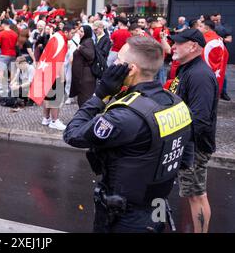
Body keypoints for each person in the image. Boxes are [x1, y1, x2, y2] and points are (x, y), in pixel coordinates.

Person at [64, 36, 194, 233]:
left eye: (118, 61)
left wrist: (100, 95)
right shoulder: (177, 103)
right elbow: (184, 159)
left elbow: (72, 134)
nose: (113, 64)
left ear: (130, 69)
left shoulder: (125, 115)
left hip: (124, 216)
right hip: (157, 207)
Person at [168, 29, 219, 233]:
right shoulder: (187, 69)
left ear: (193, 46)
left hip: (195, 146)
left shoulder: (199, 75)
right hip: (188, 144)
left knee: (197, 195)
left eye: (178, 43)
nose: (173, 46)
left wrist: (183, 144)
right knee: (193, 194)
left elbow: (200, 118)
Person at [70, 25, 96, 107]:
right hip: (82, 75)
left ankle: (85, 118)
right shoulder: (84, 41)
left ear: (86, 33)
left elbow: (91, 55)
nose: (79, 33)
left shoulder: (88, 41)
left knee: (85, 99)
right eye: (79, 31)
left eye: (82, 31)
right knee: (82, 99)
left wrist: (80, 48)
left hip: (86, 76)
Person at [0, 20, 18, 91]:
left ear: (3, 25)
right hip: (13, 54)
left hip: (4, 54)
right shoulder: (15, 34)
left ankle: (1, 85)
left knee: (1, 71)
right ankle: (12, 85)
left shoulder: (1, 33)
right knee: (12, 71)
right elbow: (16, 45)